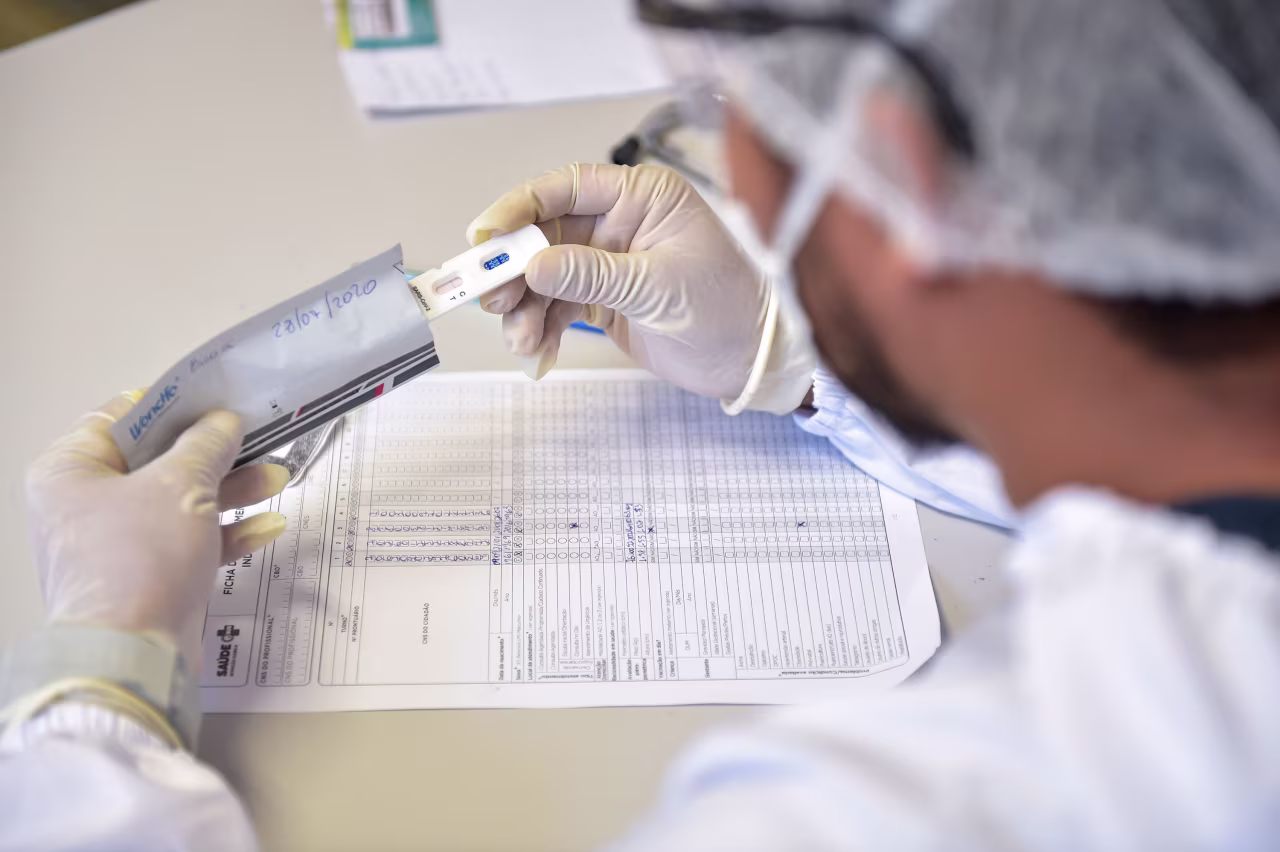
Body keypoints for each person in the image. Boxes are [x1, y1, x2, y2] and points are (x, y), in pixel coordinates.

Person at [4, 0, 1280, 848]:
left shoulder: (870, 813)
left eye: (732, 110)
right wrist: (787, 355)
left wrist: (105, 675)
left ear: (902, 168)